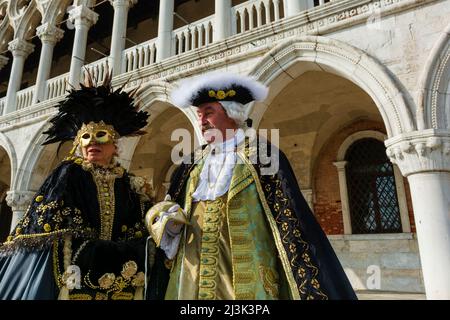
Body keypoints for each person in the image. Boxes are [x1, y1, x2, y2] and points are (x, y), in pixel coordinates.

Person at [148, 72, 357, 300]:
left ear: (231, 113)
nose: (201, 122)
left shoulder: (263, 156)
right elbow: (171, 208)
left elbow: (289, 221)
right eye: (199, 115)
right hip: (190, 278)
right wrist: (168, 222)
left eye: (209, 112)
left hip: (247, 279)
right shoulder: (191, 163)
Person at [0, 71, 168, 300]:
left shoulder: (129, 184)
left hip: (122, 284)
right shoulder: (69, 174)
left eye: (101, 136)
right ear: (78, 143)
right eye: (85, 138)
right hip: (74, 280)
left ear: (114, 144)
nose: (92, 143)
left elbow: (139, 228)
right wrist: (101, 252)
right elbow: (57, 227)